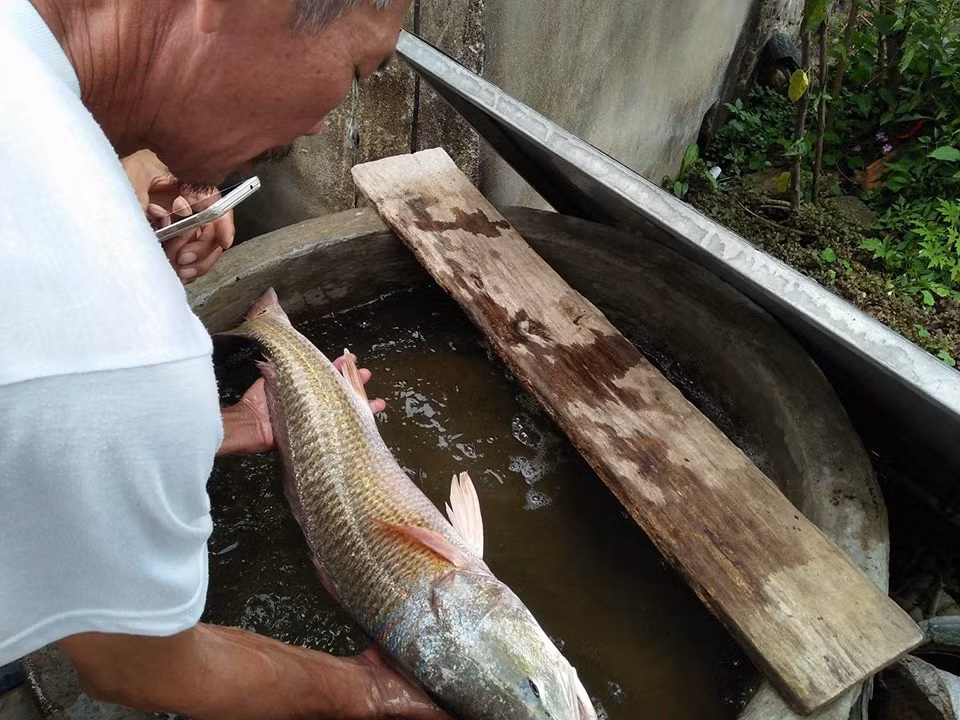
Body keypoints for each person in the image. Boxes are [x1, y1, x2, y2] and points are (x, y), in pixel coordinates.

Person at [0, 0, 448, 717]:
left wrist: (219, 425)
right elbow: (135, 667)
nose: (320, 125)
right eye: (358, 71)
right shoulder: (119, 338)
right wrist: (372, 693)